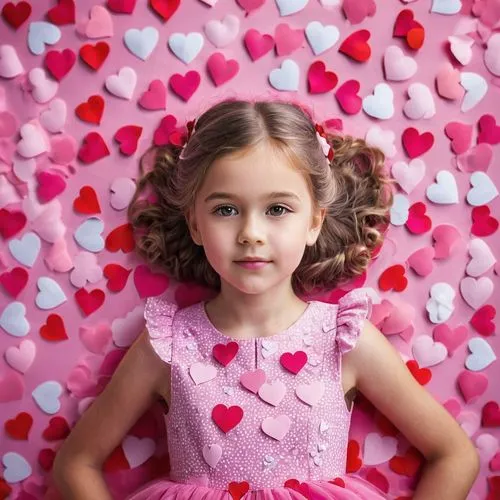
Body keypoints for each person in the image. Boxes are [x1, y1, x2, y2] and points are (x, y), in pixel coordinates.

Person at [52, 99, 480, 499]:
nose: (251, 233)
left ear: (314, 222)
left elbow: (455, 455)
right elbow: (76, 463)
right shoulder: (167, 344)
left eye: (277, 209)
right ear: (195, 225)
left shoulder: (344, 340)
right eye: (225, 209)